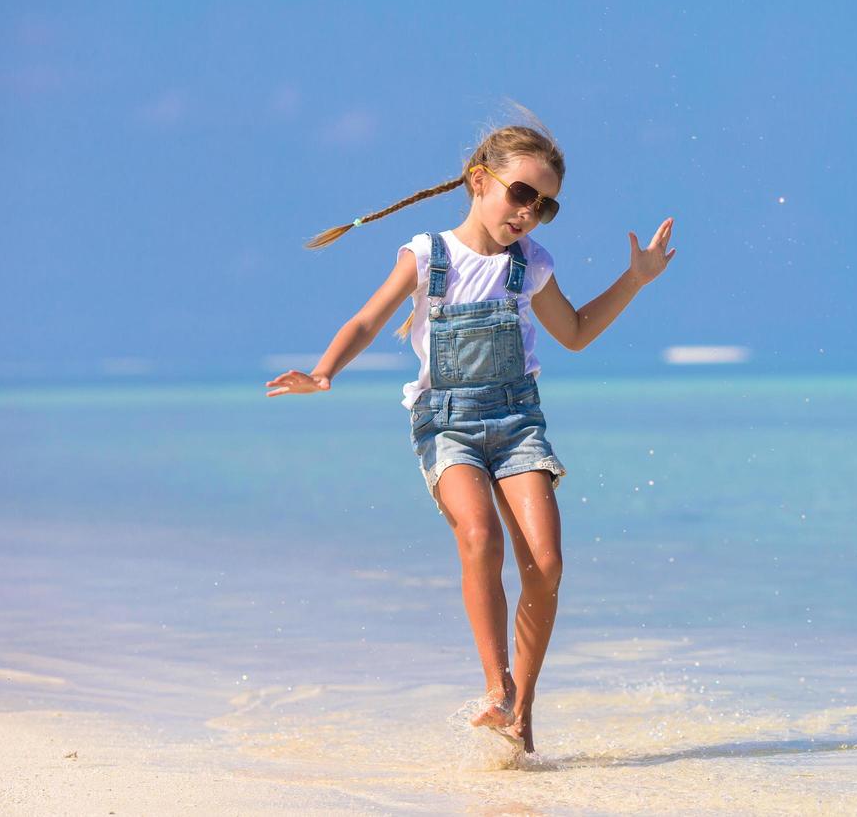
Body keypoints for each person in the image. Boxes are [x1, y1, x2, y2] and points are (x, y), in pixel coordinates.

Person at [265, 114, 676, 754]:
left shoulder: (530, 265)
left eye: (545, 206)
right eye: (520, 194)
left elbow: (572, 333)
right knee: (479, 536)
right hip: (446, 424)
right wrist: (323, 373)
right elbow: (369, 321)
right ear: (480, 180)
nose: (529, 213)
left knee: (546, 564)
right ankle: (496, 686)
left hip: (518, 423)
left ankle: (523, 710)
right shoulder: (427, 254)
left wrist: (636, 279)